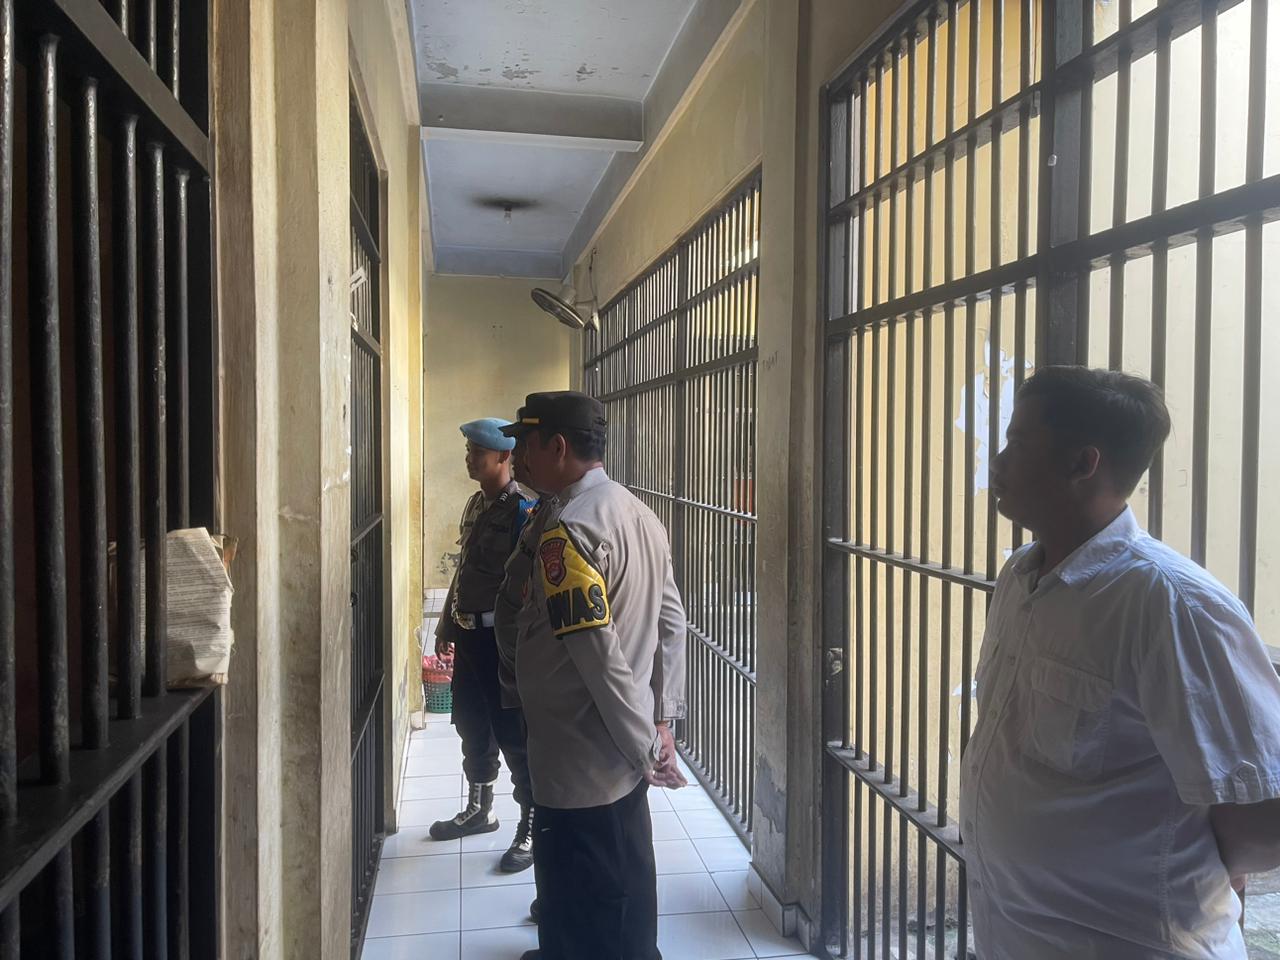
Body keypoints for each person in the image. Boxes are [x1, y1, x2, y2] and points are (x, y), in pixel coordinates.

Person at [960, 367, 1280, 960]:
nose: (998, 463)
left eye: (1018, 443)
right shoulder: (1022, 576)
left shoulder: (1172, 605)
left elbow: (1263, 817)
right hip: (1016, 936)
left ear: (1082, 463)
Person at [498, 391, 688, 960]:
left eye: (527, 445)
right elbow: (672, 624)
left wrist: (645, 747)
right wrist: (662, 721)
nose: (520, 458)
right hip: (616, 750)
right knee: (617, 884)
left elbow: (598, 658)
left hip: (582, 757)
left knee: (591, 898)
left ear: (557, 447)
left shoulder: (571, 531)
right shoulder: (637, 512)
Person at [429, 418, 538, 874]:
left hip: (502, 641)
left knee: (513, 733)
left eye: (478, 452)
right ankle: (480, 809)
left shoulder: (523, 510)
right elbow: (465, 569)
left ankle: (530, 825)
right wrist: (446, 624)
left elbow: (527, 586)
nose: (469, 459)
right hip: (470, 634)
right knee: (471, 723)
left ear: (504, 456)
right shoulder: (477, 503)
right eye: (469, 450)